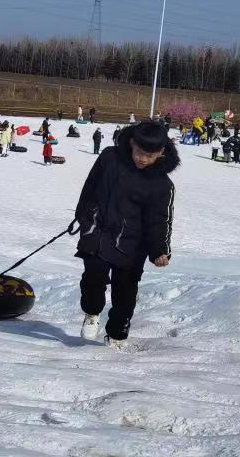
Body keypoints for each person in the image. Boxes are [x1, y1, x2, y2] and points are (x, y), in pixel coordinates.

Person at [76, 121, 178, 348]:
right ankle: (92, 312)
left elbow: (160, 219)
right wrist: (83, 216)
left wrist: (160, 249)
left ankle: (117, 335)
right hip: (99, 230)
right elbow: (90, 187)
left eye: (150, 155)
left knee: (125, 292)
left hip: (133, 243)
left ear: (161, 153)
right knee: (93, 276)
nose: (142, 159)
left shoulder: (162, 184)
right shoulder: (110, 158)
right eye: (140, 152)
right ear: (132, 143)